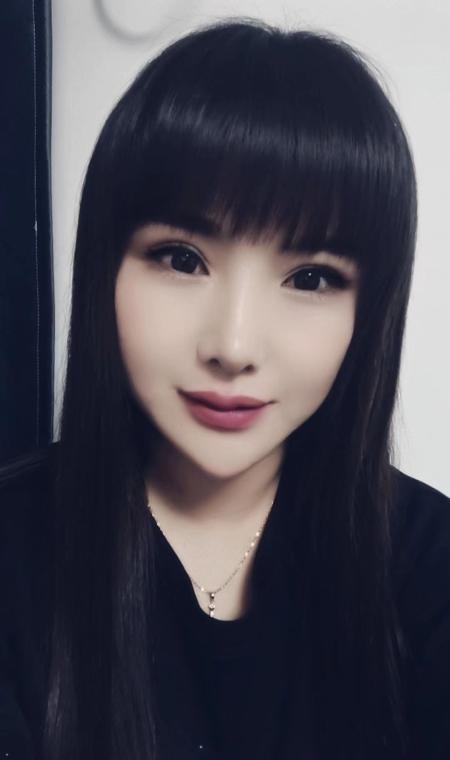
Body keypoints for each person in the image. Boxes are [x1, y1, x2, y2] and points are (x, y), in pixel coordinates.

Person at [1, 15, 449, 760]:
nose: (234, 347)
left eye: (311, 278)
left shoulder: (428, 564)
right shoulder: (15, 553)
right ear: (105, 266)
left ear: (368, 312)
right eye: (182, 259)